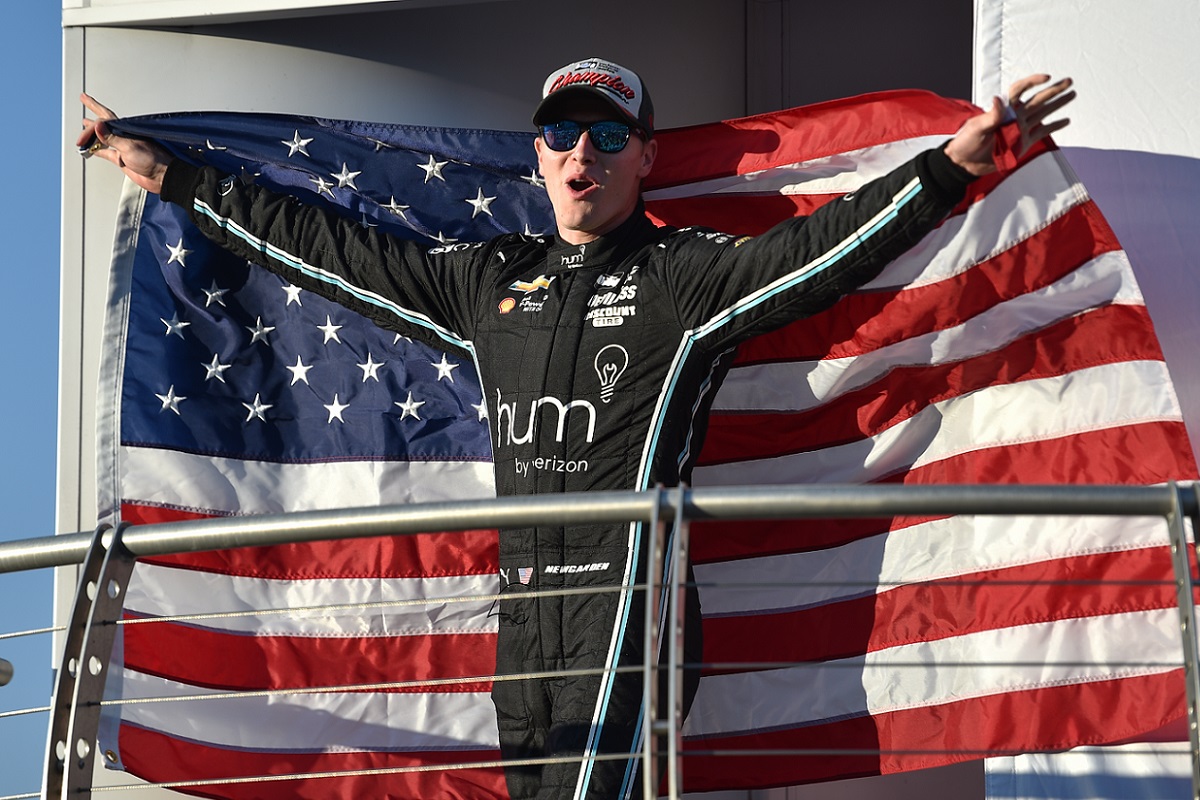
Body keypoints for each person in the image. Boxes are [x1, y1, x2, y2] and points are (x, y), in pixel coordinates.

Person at [78, 56, 1074, 800]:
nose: (581, 154)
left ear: (644, 154)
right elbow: (335, 252)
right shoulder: (488, 280)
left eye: (606, 136)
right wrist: (177, 182)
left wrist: (950, 169)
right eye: (561, 134)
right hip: (525, 622)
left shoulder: (685, 275)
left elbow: (821, 255)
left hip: (632, 610)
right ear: (537, 154)